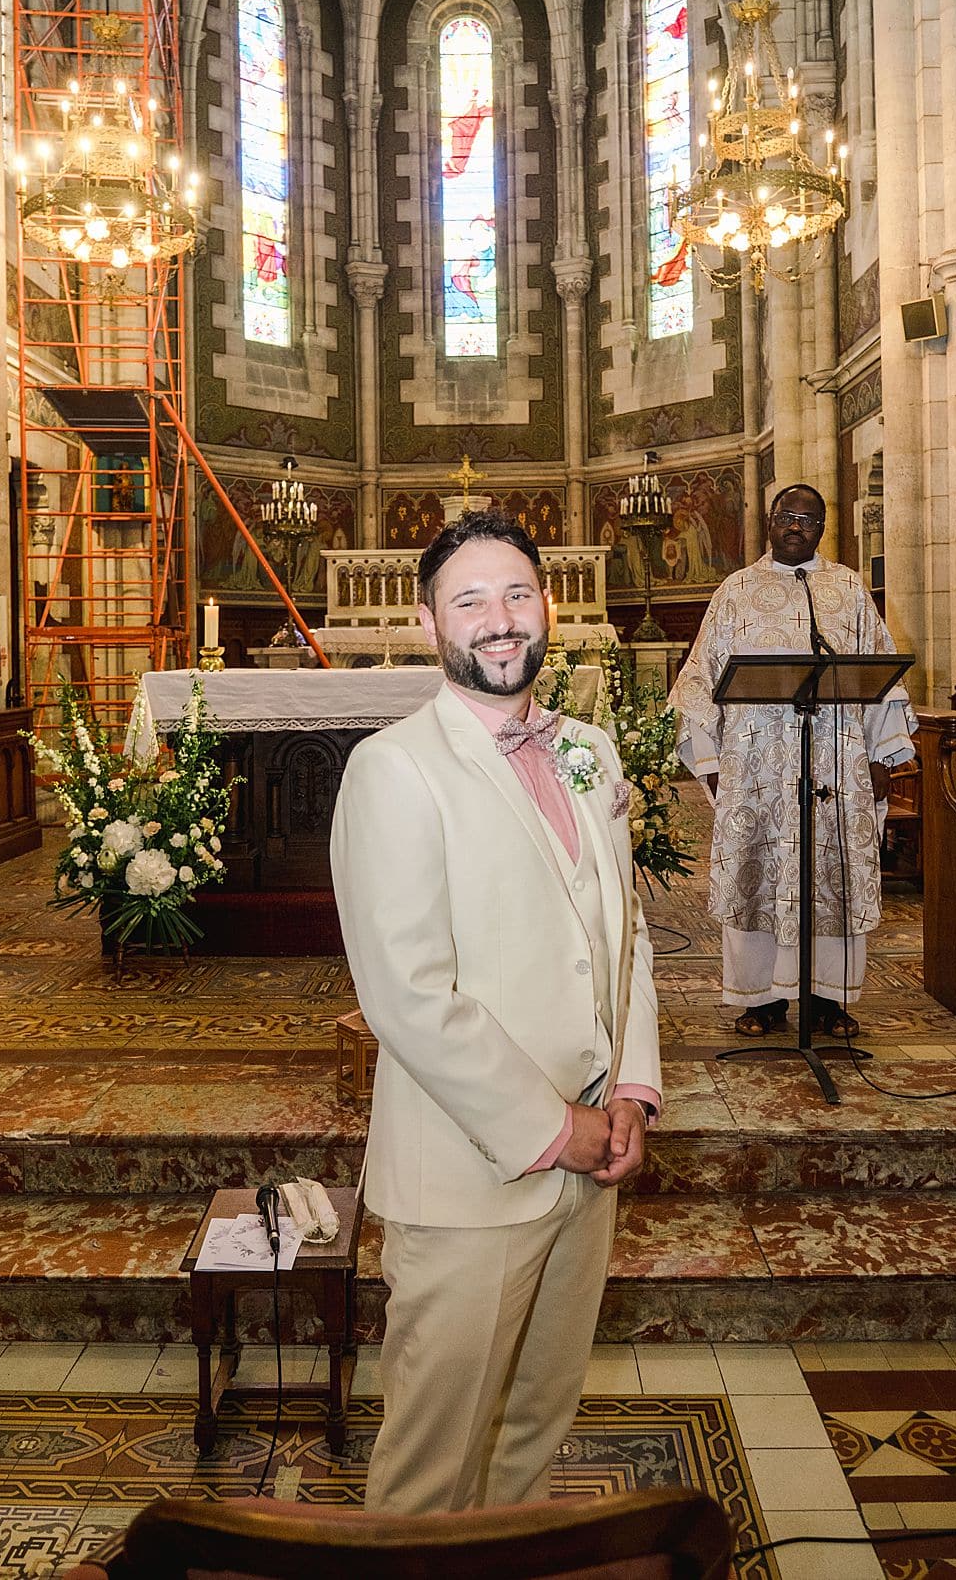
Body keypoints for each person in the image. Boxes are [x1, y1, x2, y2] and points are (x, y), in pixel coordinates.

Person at [330, 509, 661, 1513]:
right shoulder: (392, 769)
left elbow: (623, 934)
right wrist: (556, 1128)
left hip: (592, 1159)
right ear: (430, 623)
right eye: (470, 600)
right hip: (471, 1174)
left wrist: (632, 1096)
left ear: (546, 606)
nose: (499, 618)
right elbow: (406, 995)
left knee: (533, 1429)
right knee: (433, 1465)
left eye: (516, 593)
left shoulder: (591, 753)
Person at [668, 483, 916, 1040]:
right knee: (759, 873)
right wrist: (709, 759)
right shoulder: (736, 591)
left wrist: (883, 755)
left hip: (837, 763)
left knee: (833, 875)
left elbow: (881, 669)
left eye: (808, 519)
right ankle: (761, 998)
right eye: (788, 516)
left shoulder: (847, 588)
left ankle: (830, 999)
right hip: (756, 768)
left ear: (822, 528)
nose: (796, 526)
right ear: (770, 522)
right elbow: (698, 677)